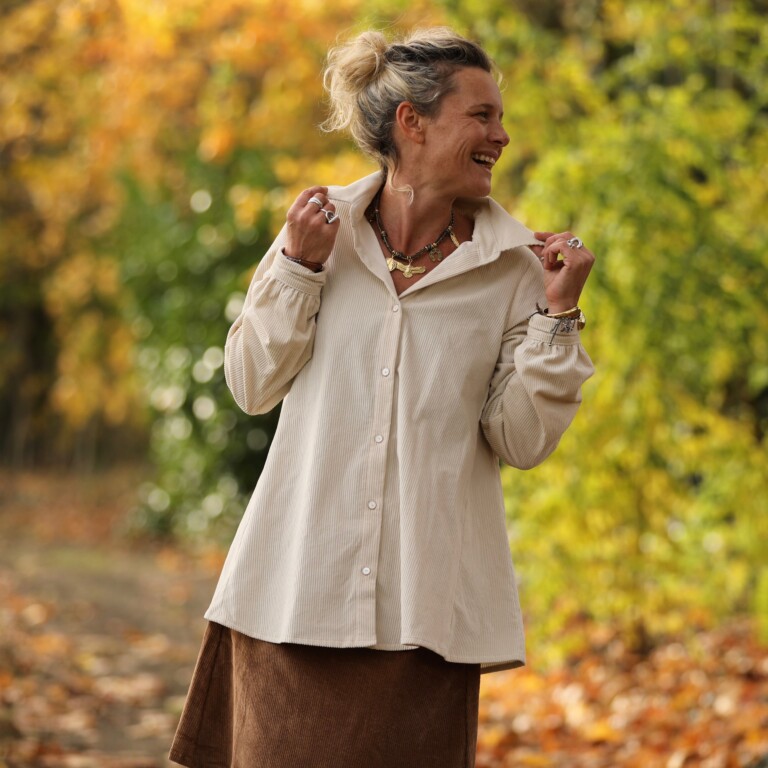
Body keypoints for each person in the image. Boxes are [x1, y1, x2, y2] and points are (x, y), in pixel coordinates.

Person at [170, 26, 594, 768]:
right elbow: (250, 385)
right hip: (292, 598)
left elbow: (521, 441)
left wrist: (558, 317)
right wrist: (298, 271)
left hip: (423, 620)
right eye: (483, 116)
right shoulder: (315, 230)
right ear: (413, 123)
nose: (502, 134)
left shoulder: (518, 273)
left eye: (500, 117)